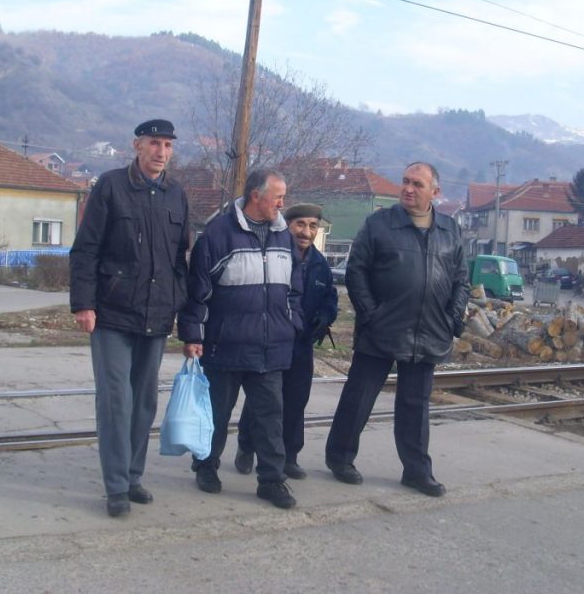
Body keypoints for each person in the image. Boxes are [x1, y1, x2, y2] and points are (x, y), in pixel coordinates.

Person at [325, 161, 469, 497]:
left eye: (417, 184)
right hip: (382, 328)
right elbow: (356, 271)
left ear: (435, 191)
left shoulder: (450, 230)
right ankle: (340, 457)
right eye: (404, 181)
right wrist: (371, 314)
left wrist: (453, 317)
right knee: (359, 398)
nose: (407, 188)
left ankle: (417, 471)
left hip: (430, 330)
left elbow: (461, 279)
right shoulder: (379, 224)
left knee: (415, 407)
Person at [69, 118, 190, 518]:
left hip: (156, 313)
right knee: (116, 400)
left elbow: (179, 261)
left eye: (168, 145)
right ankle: (116, 485)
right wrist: (83, 304)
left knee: (144, 402)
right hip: (112, 312)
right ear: (137, 146)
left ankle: (134, 475)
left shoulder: (176, 195)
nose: (162, 152)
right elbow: (85, 250)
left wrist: (182, 309)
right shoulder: (111, 186)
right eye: (154, 143)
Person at [179, 168, 303, 509]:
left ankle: (272, 481)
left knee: (270, 419)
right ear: (255, 196)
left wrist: (292, 322)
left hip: (271, 347)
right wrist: (192, 334)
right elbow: (197, 293)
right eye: (277, 196)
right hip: (224, 346)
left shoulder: (283, 236)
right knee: (216, 415)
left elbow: (295, 287)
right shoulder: (218, 235)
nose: (282, 203)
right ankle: (206, 467)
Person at [234, 203, 338, 480]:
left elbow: (330, 297)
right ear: (288, 225)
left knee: (296, 401)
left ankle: (289, 456)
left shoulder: (319, 264)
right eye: (300, 225)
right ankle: (246, 447)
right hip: (273, 340)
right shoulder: (276, 255)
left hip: (302, 345)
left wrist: (326, 316)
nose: (306, 232)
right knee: (264, 401)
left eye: (313, 226)